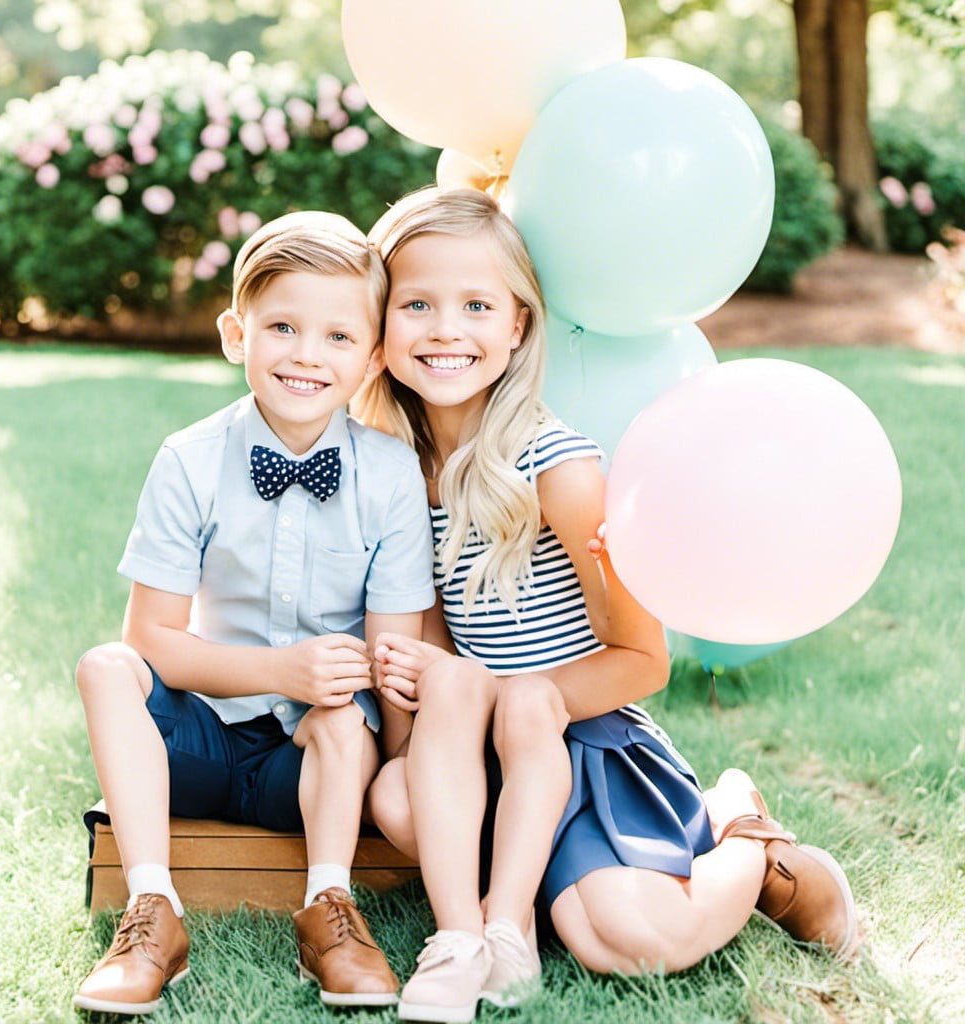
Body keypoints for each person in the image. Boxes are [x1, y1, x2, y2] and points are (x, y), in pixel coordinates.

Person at [351, 187, 861, 1024]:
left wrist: (535, 699)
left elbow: (643, 660)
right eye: (417, 304)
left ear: (517, 326)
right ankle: (506, 916)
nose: (447, 330)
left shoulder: (560, 469)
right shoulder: (393, 470)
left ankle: (741, 832)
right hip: (482, 744)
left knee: (626, 942)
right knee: (400, 801)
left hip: (589, 743)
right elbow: (435, 646)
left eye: (477, 305)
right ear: (380, 323)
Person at [72, 211, 436, 1015]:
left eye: (339, 337)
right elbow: (152, 640)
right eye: (282, 326)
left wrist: (401, 774)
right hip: (197, 742)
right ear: (238, 334)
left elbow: (391, 662)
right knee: (105, 665)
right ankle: (151, 913)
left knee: (345, 713)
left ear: (373, 358)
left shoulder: (389, 477)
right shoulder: (190, 461)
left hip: (306, 767)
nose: (307, 354)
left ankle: (331, 911)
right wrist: (279, 668)